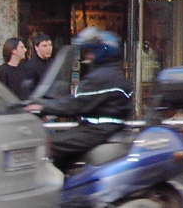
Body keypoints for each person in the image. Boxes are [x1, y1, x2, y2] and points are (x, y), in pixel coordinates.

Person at [25, 27, 133, 172]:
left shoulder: (101, 77)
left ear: (101, 52)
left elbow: (75, 105)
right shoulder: (113, 74)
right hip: (100, 129)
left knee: (48, 144)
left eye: (90, 52)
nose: (87, 56)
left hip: (97, 131)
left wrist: (42, 106)